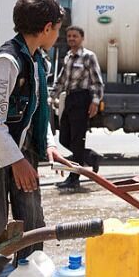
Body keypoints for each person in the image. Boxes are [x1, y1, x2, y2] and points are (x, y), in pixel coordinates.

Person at [0, 0, 62, 258]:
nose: (57, 36)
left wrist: (50, 145)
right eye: (57, 30)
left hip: (23, 149)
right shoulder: (7, 61)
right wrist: (16, 161)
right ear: (47, 28)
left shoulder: (38, 60)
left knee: (32, 223)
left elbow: (37, 110)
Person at [49, 25, 104, 193]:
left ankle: (74, 179)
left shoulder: (88, 56)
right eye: (69, 36)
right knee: (65, 138)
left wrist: (95, 102)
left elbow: (97, 82)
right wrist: (51, 96)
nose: (72, 39)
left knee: (77, 140)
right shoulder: (68, 57)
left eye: (75, 36)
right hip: (70, 98)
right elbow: (61, 79)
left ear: (82, 38)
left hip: (83, 99)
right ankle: (90, 157)